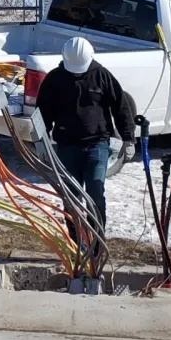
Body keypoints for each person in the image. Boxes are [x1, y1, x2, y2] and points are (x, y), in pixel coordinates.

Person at [35, 35, 135, 236]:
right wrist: (40, 139)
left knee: (95, 194)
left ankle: (97, 242)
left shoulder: (102, 76)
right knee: (70, 197)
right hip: (67, 146)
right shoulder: (54, 79)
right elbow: (42, 112)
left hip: (97, 145)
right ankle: (76, 242)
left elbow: (121, 108)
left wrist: (128, 138)